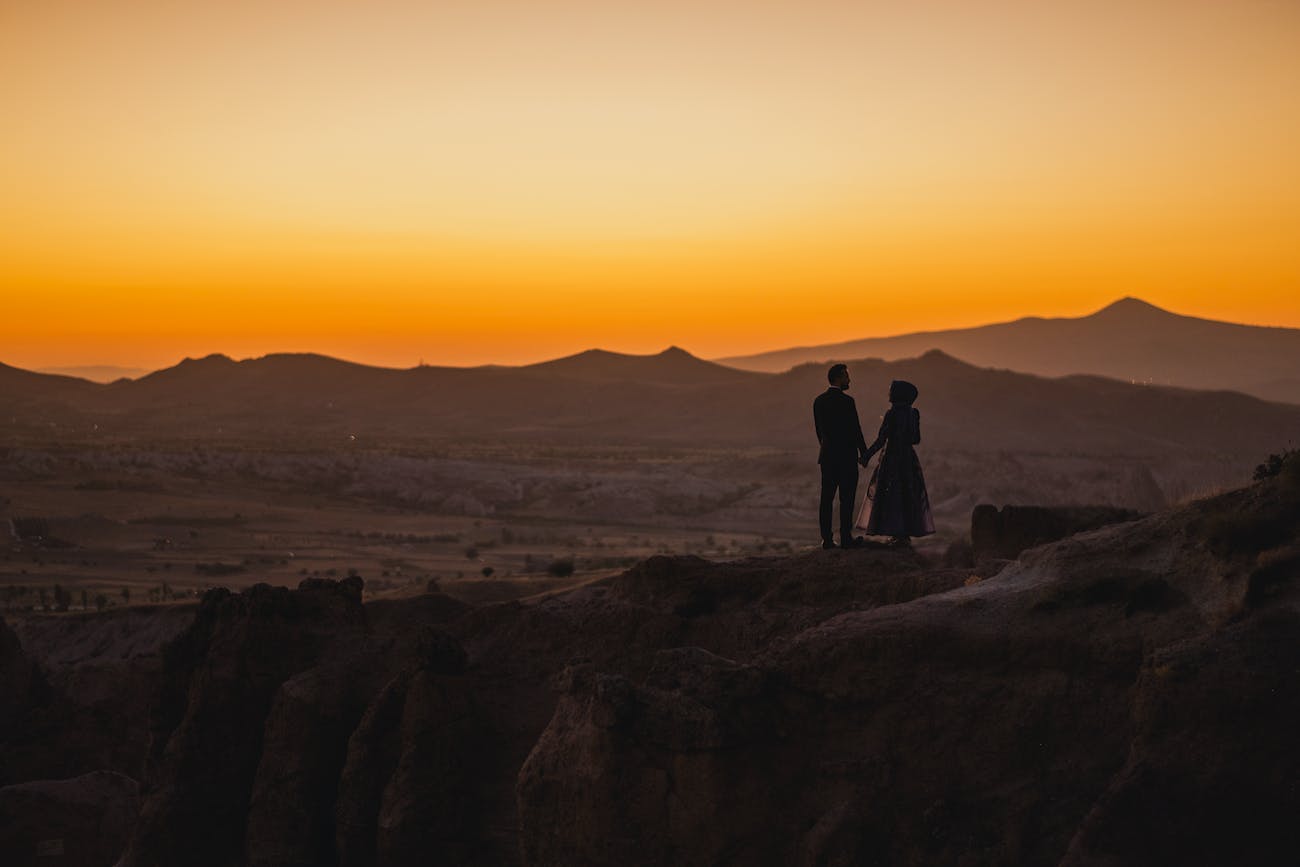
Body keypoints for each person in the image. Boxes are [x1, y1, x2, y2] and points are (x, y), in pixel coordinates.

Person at [857, 379, 935, 546]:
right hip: (908, 459)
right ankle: (903, 535)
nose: (889, 393)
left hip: (892, 459)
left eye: (891, 390)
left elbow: (881, 439)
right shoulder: (914, 413)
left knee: (891, 497)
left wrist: (866, 457)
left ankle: (897, 534)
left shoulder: (891, 414)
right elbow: (916, 439)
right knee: (907, 495)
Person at [813, 364, 870, 549]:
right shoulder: (848, 402)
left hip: (828, 457)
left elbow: (819, 433)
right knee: (847, 498)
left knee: (826, 499)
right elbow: (856, 430)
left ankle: (827, 540)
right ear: (838, 378)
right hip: (846, 457)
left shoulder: (819, 401)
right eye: (846, 376)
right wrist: (864, 453)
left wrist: (827, 448)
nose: (849, 380)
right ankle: (846, 538)